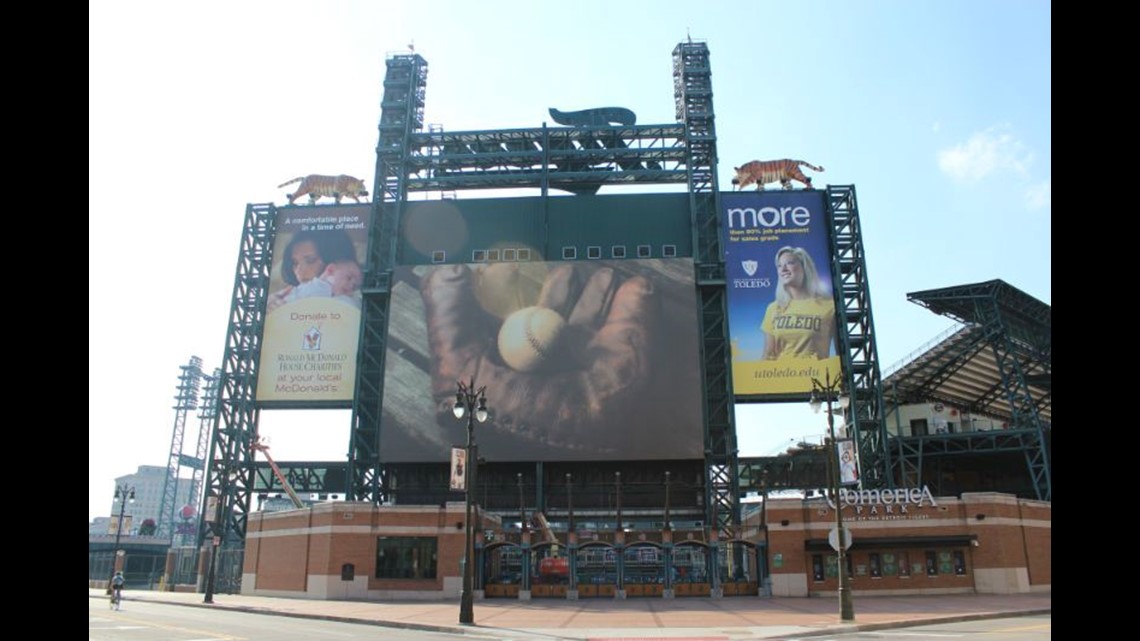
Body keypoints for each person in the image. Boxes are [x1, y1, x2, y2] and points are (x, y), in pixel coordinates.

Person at [760, 246, 836, 360]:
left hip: (814, 375)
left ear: (805, 268)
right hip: (779, 375)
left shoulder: (829, 306)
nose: (783, 269)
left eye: (789, 263)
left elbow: (842, 355)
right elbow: (768, 354)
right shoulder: (773, 308)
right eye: (779, 266)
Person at [268, 230, 359, 311]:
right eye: (295, 263)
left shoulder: (350, 303)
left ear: (332, 267)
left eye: (310, 260)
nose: (299, 271)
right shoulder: (285, 296)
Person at [281, 258, 363, 309]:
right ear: (331, 270)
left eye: (355, 286)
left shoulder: (348, 299)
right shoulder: (314, 288)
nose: (351, 285)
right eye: (349, 278)